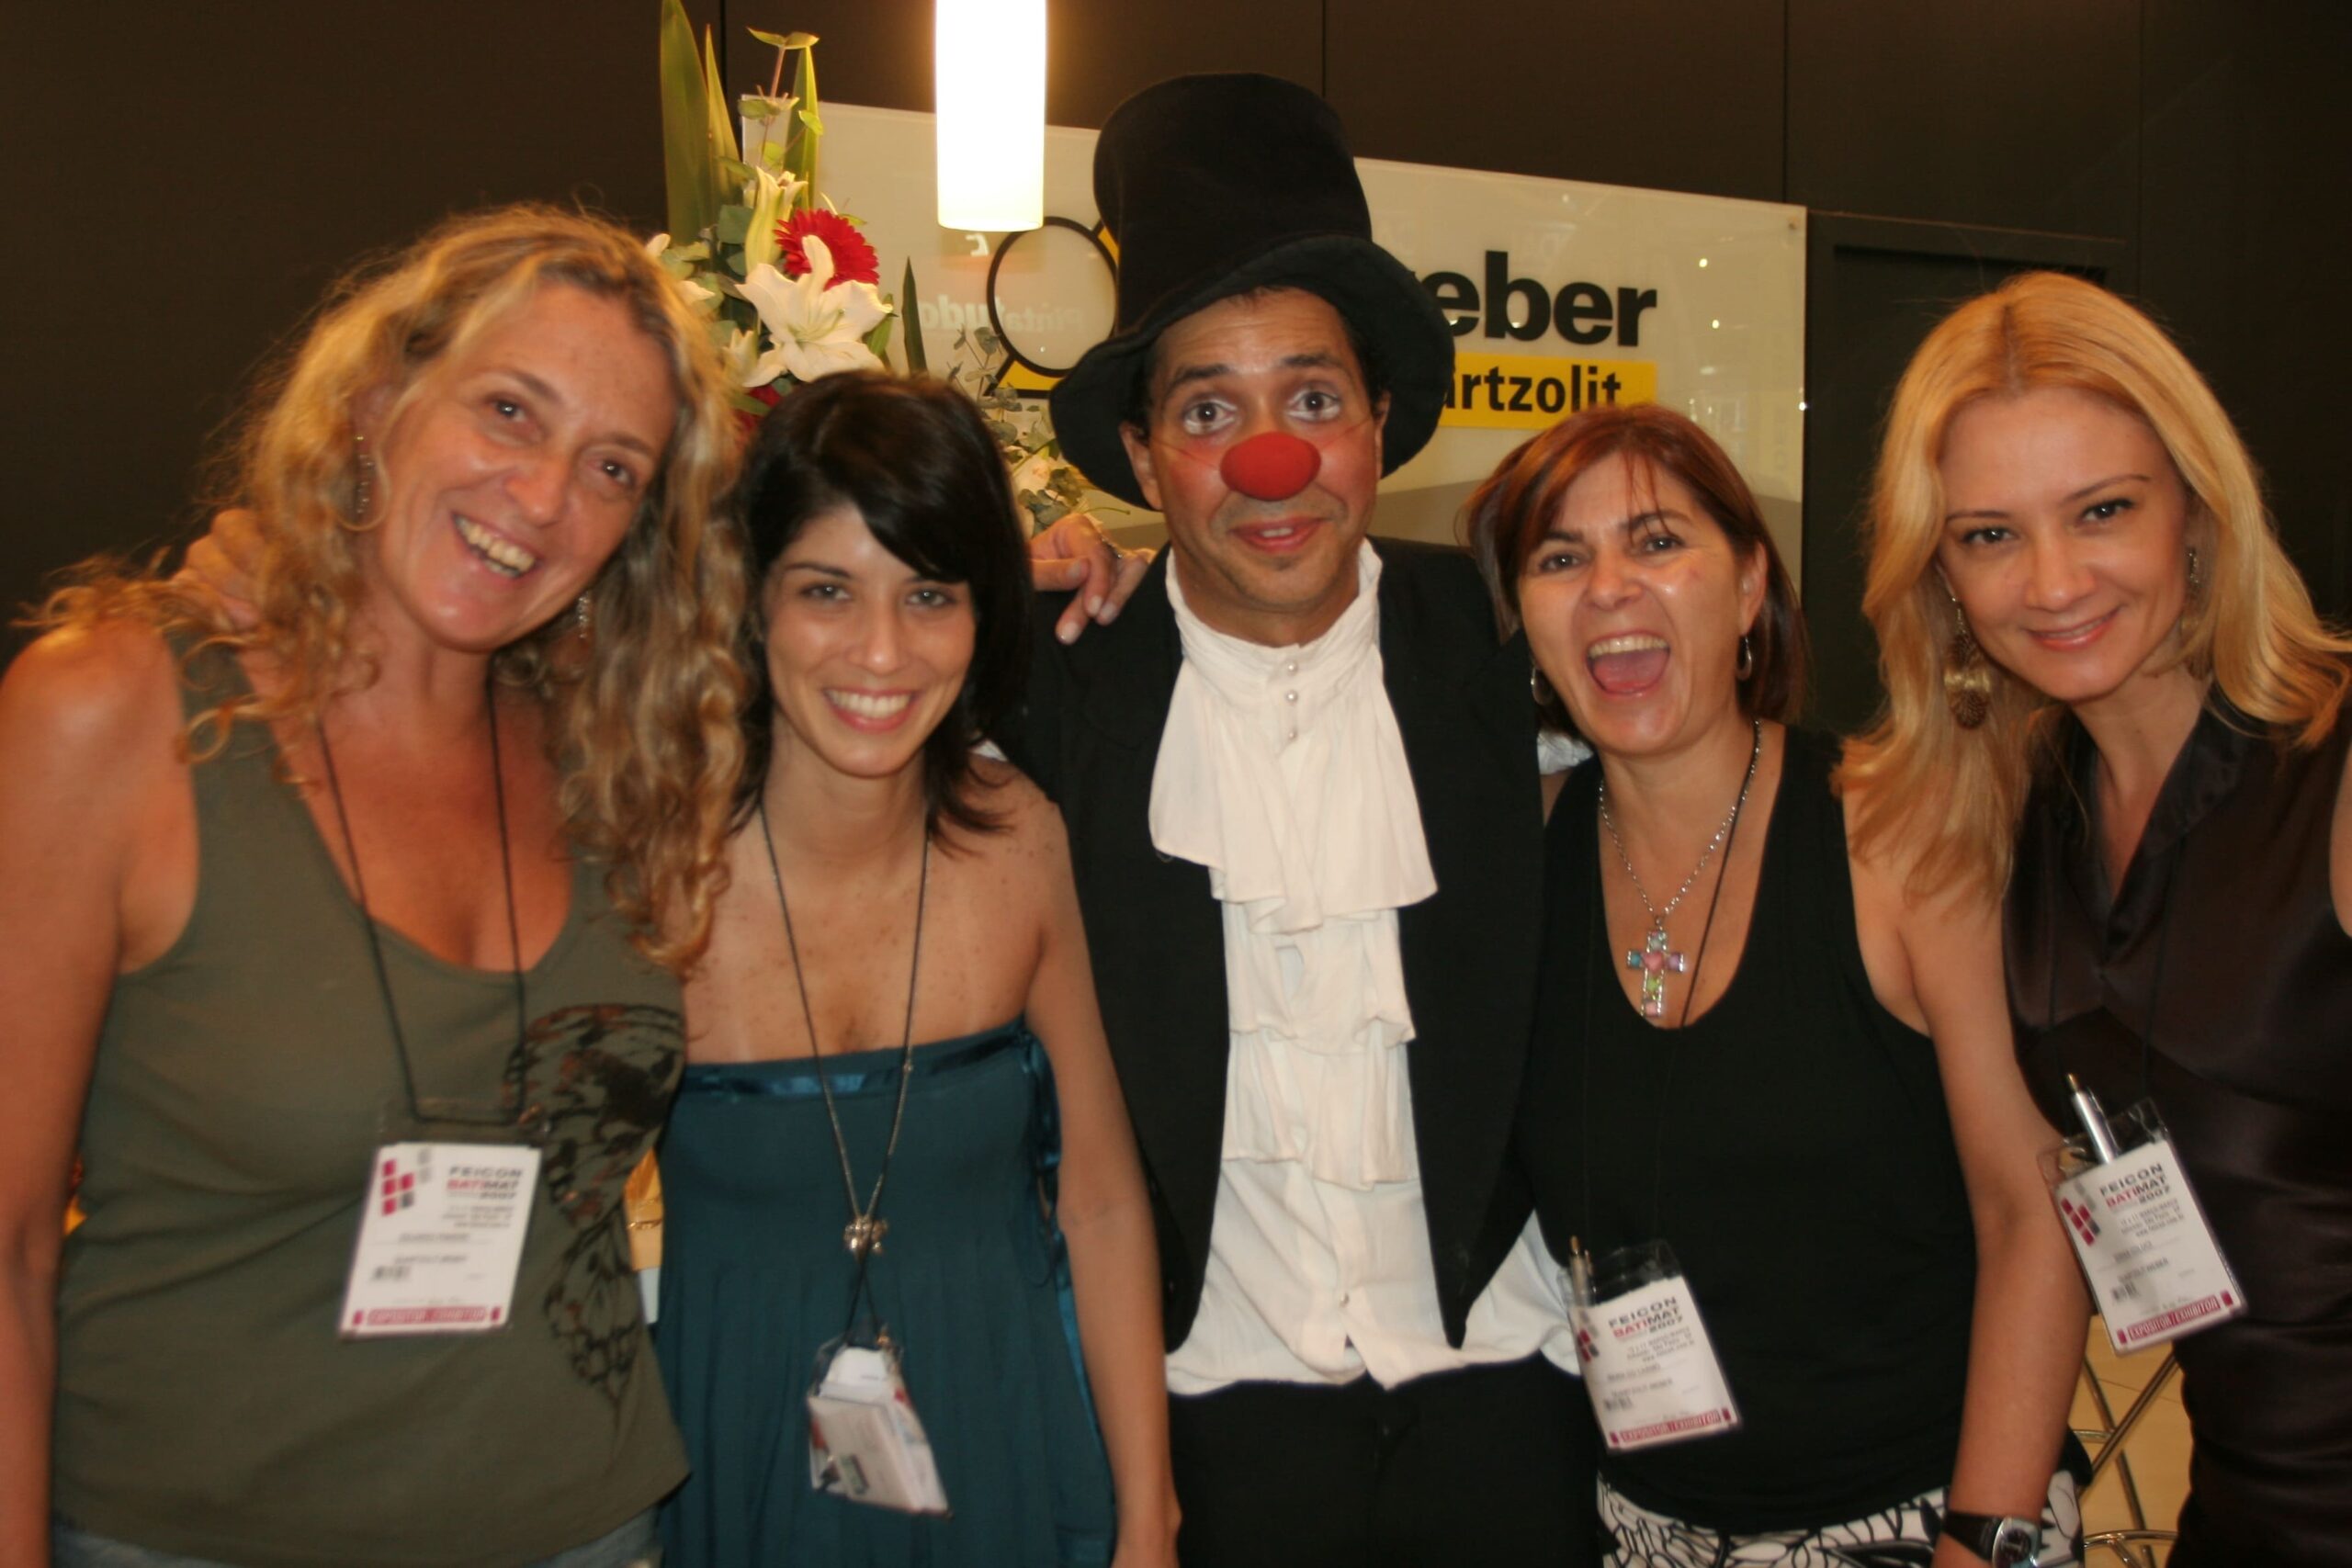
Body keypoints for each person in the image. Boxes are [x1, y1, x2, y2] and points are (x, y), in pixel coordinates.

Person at [0, 206, 747, 1566]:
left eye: (612, 468)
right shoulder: (118, 712)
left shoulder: (611, 757)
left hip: (583, 1524)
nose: (543, 497)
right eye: (509, 411)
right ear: (374, 402)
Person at [1000, 73, 1590, 1565]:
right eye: (1211, 410)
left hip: (1504, 1397)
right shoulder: (1057, 686)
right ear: (1144, 455)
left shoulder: (1511, 642)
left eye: (1314, 399)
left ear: (1380, 421)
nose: (1273, 462)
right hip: (1212, 1426)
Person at [1468, 403, 2086, 1567]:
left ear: (1750, 585)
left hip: (1921, 1517)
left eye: (1657, 541)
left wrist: (1983, 1535)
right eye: (1559, 558)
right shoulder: (1515, 861)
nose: (1608, 587)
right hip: (1641, 1529)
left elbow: (2031, 1211)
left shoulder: (1896, 838)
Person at [1849, 269, 2352, 1565]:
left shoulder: (2335, 768)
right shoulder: (2024, 814)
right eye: (1989, 534)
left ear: (2197, 511)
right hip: (2235, 1511)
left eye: (2103, 510)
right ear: (1939, 574)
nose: (2054, 581)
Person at [654, 370, 1177, 1567]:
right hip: (738, 1461)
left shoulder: (1022, 840)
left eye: (929, 594)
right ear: (750, 600)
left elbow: (1100, 1202)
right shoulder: (650, 873)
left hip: (1010, 1444)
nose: (881, 651)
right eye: (826, 590)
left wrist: (1149, 1515)